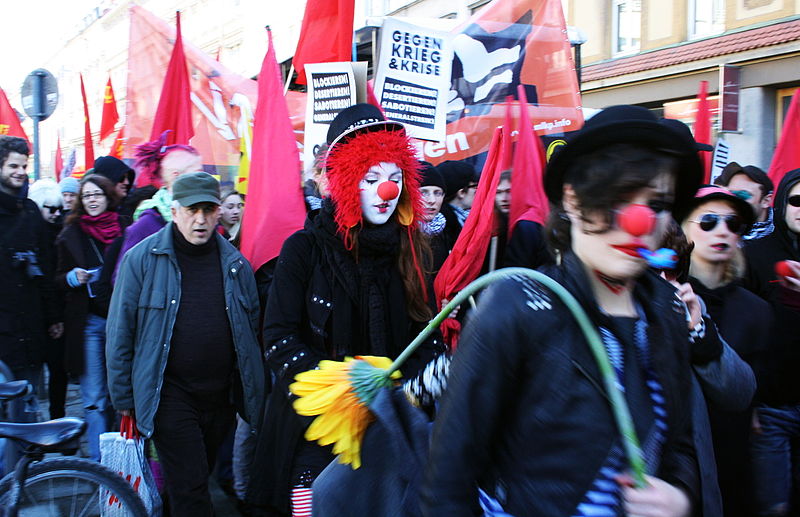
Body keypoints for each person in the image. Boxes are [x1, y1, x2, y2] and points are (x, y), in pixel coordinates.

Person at [421, 105, 706, 516]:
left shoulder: (666, 310)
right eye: (616, 197)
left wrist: (680, 494)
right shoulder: (517, 304)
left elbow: (680, 442)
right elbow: (446, 480)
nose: (639, 221)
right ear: (571, 199)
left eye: (657, 203)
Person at [248, 103, 444, 517]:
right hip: (314, 438)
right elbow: (278, 337)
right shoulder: (304, 250)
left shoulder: (409, 251)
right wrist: (339, 386)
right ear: (343, 182)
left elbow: (423, 337)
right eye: (371, 179)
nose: (385, 192)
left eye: (394, 179)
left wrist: (429, 376)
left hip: (386, 436)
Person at [106, 171, 264, 516]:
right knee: (193, 492)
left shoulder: (237, 265)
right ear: (174, 211)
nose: (200, 219)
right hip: (169, 394)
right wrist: (123, 397)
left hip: (220, 397)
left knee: (189, 481)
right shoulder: (142, 260)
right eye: (192, 210)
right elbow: (120, 332)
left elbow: (250, 333)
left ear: (219, 212)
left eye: (208, 210)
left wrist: (251, 394)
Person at [679, 186, 769, 516]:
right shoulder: (660, 298)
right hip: (680, 460)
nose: (722, 231)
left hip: (733, 456)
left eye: (733, 224)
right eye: (708, 221)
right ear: (682, 227)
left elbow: (756, 389)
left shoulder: (757, 310)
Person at [0, 136, 60, 474]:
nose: (21, 172)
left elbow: (48, 269)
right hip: (3, 332)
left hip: (31, 328)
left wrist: (53, 317)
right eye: (14, 166)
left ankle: (26, 481)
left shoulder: (32, 213)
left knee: (28, 409)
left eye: (24, 166)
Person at [742, 168, 800, 516]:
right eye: (796, 200)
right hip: (770, 408)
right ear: (780, 204)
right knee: (772, 505)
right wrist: (749, 403)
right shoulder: (755, 255)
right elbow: (741, 331)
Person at [55, 174, 122, 461]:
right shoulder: (70, 234)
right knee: (94, 397)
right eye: (87, 196)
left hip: (122, 322)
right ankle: (99, 462)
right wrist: (72, 277)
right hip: (89, 324)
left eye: (97, 194)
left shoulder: (125, 229)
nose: (92, 200)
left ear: (108, 197)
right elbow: (55, 278)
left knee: (119, 395)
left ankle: (123, 455)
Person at [114, 133, 203, 274]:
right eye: (197, 172)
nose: (203, 178)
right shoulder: (147, 223)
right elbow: (124, 280)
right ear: (176, 175)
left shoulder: (205, 217)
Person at [28, 179, 68, 420]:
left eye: (58, 209)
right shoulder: (33, 234)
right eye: (50, 208)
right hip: (37, 315)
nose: (55, 214)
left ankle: (57, 421)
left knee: (58, 374)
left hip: (55, 315)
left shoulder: (60, 232)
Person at [715, 162, 775, 241]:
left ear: (766, 201)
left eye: (743, 195)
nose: (734, 201)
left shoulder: (786, 234)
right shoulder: (715, 230)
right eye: (730, 195)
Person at [419, 162, 454, 273]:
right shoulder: (399, 234)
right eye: (423, 193)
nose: (432, 200)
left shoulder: (446, 230)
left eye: (437, 193)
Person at [92, 155, 136, 223]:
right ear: (108, 180)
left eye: (128, 178)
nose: (127, 182)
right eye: (121, 178)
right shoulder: (89, 214)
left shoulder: (132, 208)